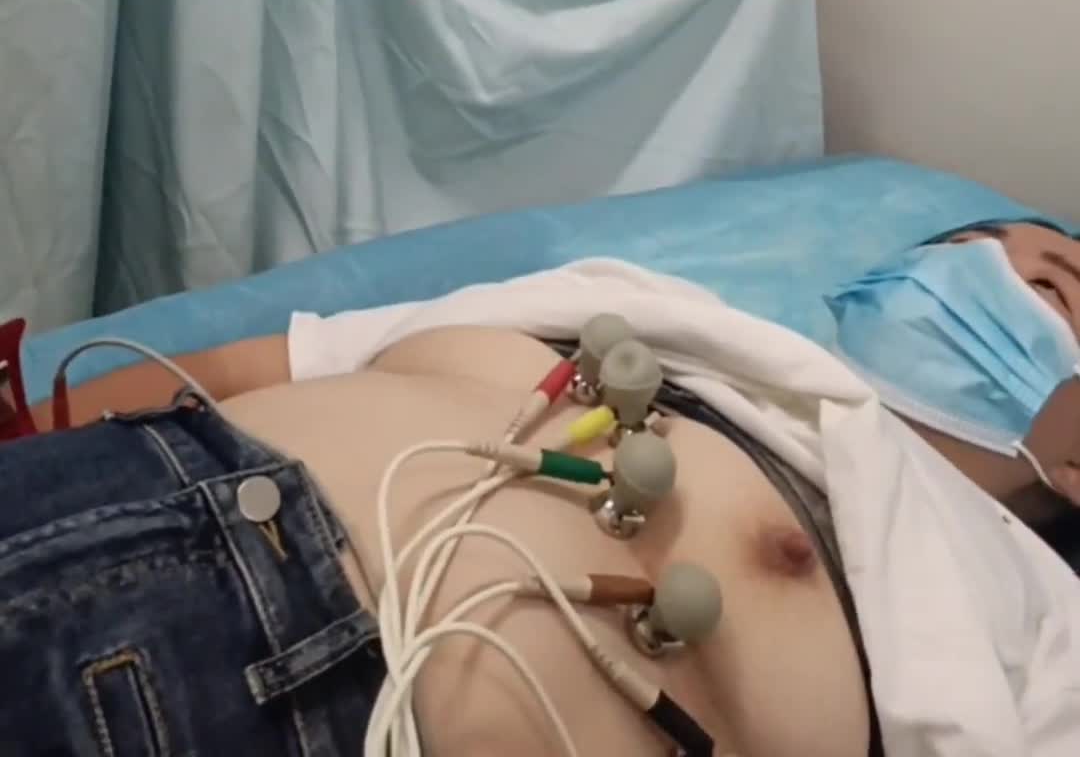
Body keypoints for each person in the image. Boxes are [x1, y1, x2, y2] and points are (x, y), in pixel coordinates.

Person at [5, 222, 1080, 756]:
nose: (1010, 280)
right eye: (1012, 262)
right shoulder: (666, 318)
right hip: (130, 491)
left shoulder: (1041, 615)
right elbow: (248, 366)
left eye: (1062, 301)